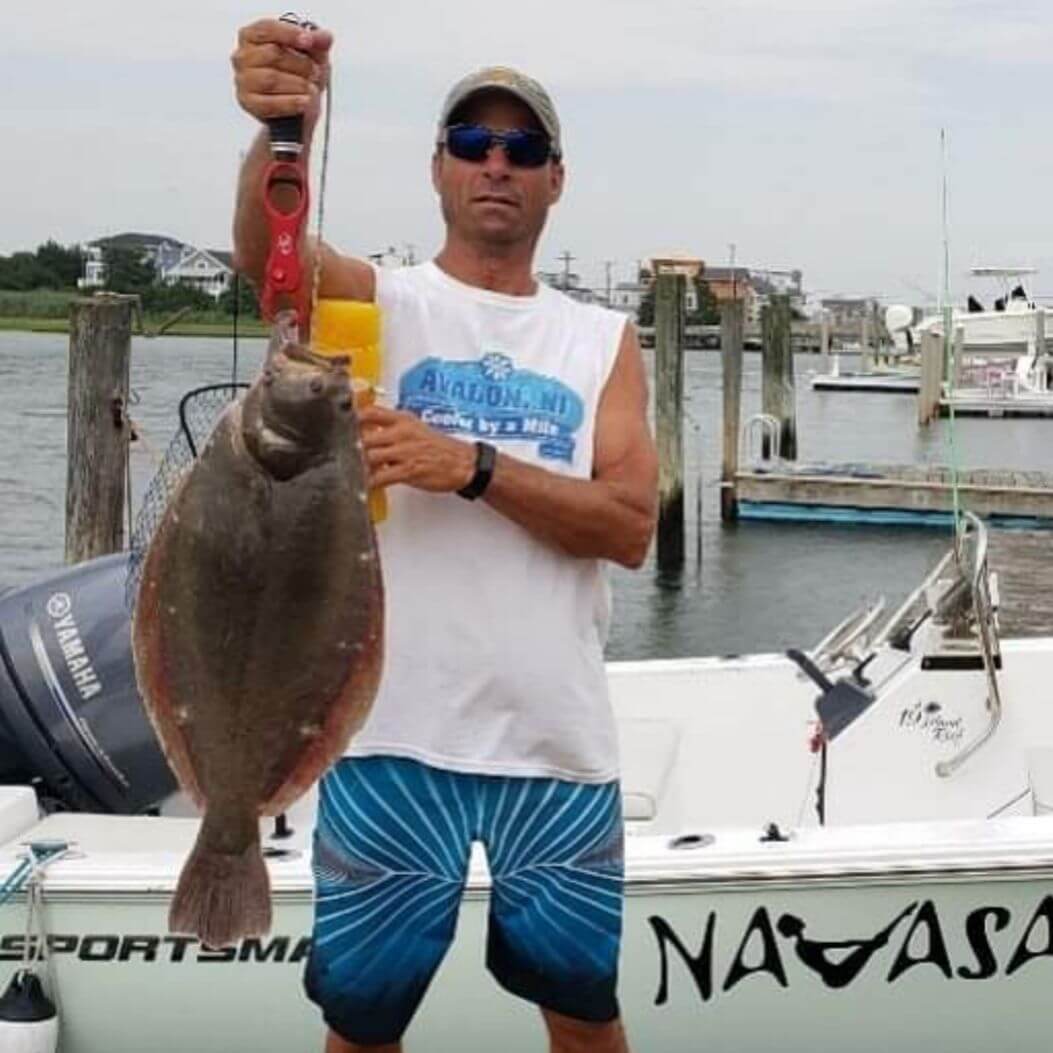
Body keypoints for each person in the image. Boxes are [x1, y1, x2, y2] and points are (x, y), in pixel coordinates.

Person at [230, 18, 658, 1053]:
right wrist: (280, 131)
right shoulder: (383, 301)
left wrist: (467, 467)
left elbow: (631, 527)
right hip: (385, 735)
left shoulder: (601, 339)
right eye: (472, 144)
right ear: (437, 170)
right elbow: (268, 257)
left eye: (522, 149)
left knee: (584, 1010)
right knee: (364, 1022)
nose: (496, 164)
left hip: (554, 743)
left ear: (558, 179)